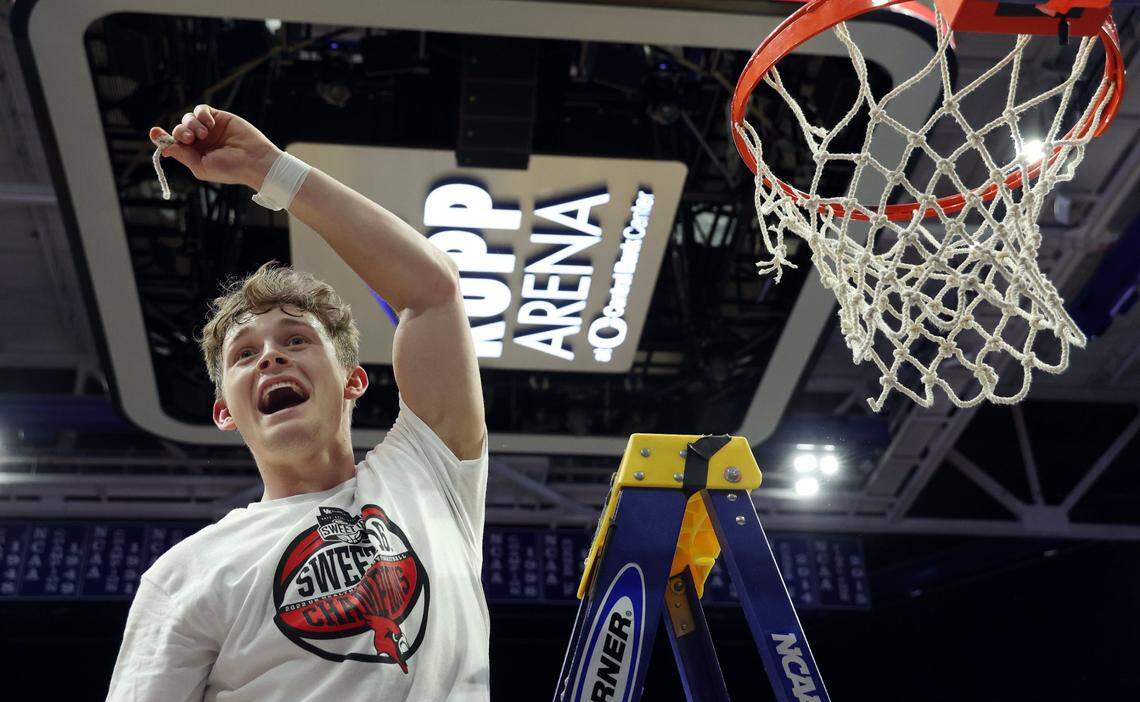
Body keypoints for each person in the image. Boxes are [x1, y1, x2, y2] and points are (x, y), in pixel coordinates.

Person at [106, 105, 489, 701]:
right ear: (225, 412)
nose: (270, 358)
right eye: (243, 356)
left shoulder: (429, 475)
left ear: (354, 381)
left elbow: (432, 291)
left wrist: (270, 170)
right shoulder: (187, 573)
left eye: (296, 340)